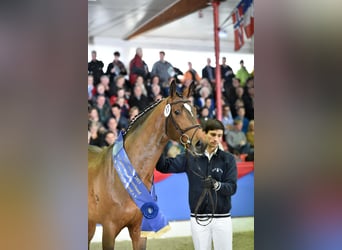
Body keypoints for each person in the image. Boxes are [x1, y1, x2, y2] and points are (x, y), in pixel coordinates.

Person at [156, 119, 237, 250]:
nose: (216, 139)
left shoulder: (228, 159)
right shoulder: (191, 156)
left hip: (222, 219)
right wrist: (159, 143)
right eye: (212, 134)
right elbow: (164, 166)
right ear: (203, 133)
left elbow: (232, 188)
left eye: (219, 136)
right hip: (198, 219)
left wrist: (216, 185)